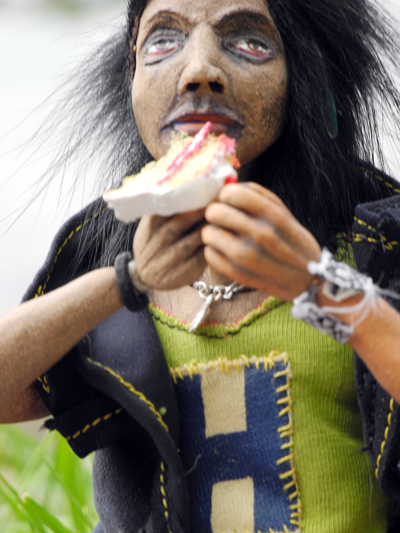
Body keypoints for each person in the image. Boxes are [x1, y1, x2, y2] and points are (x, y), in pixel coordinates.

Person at [2, 0, 400, 531]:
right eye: (163, 41)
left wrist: (321, 285)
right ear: (132, 71)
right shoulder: (98, 251)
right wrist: (123, 282)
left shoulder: (375, 239)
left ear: (304, 71)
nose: (199, 72)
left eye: (249, 42)